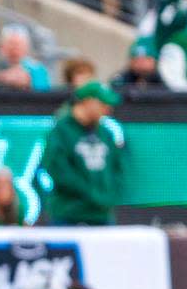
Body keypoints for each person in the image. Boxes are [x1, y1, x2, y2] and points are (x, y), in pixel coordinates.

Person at [40, 81, 126, 226]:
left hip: (102, 215)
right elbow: (59, 171)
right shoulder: (61, 132)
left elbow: (117, 168)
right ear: (88, 102)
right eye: (103, 104)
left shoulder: (106, 133)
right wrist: (91, 194)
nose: (108, 110)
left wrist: (110, 195)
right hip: (68, 214)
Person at [0, 26, 51, 91]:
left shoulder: (37, 69)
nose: (14, 49)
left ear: (26, 47)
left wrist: (29, 81)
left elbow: (44, 92)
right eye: (11, 44)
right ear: (2, 47)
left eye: (18, 45)